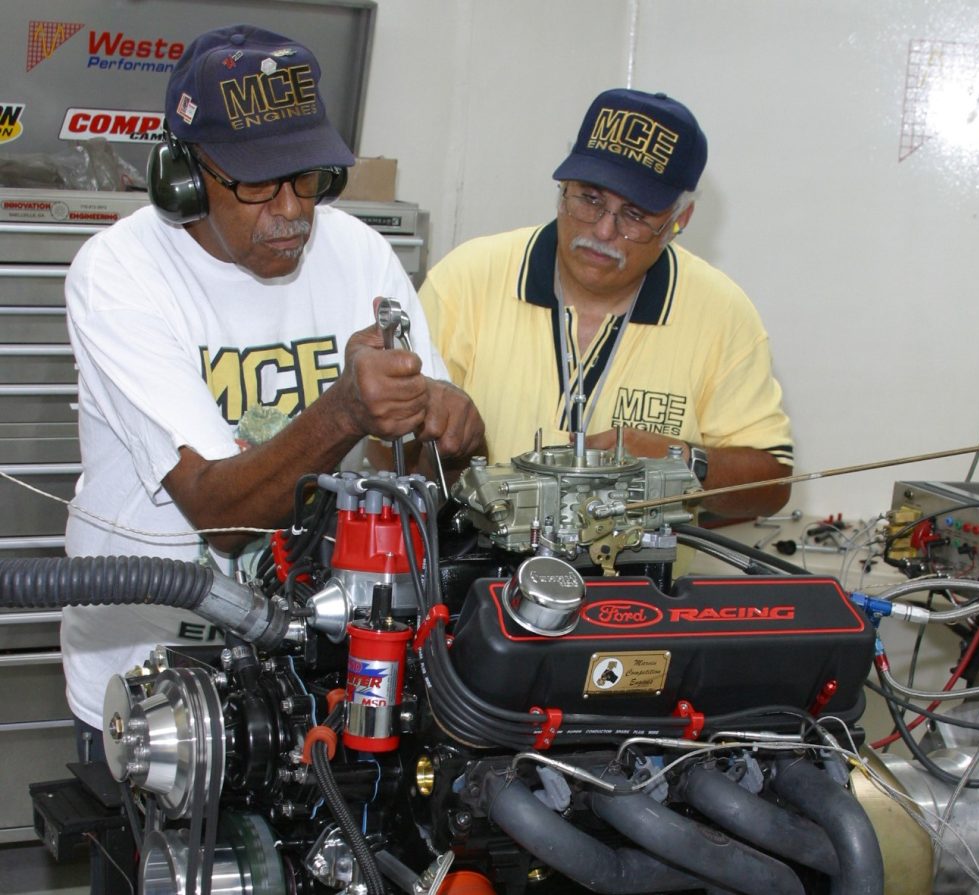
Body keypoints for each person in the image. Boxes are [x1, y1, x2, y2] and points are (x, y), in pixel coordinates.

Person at [61, 24, 483, 765]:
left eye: (309, 177)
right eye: (257, 183)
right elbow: (218, 513)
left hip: (321, 675)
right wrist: (346, 409)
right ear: (185, 177)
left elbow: (417, 476)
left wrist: (446, 430)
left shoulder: (356, 252)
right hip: (158, 691)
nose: (291, 210)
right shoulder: (120, 274)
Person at [418, 88, 792, 519]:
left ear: (679, 220)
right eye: (589, 200)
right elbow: (390, 450)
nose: (602, 231)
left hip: (639, 582)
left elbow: (773, 483)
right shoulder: (466, 279)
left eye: (634, 215)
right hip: (473, 575)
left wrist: (681, 462)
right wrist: (443, 446)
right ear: (562, 188)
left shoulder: (723, 313)